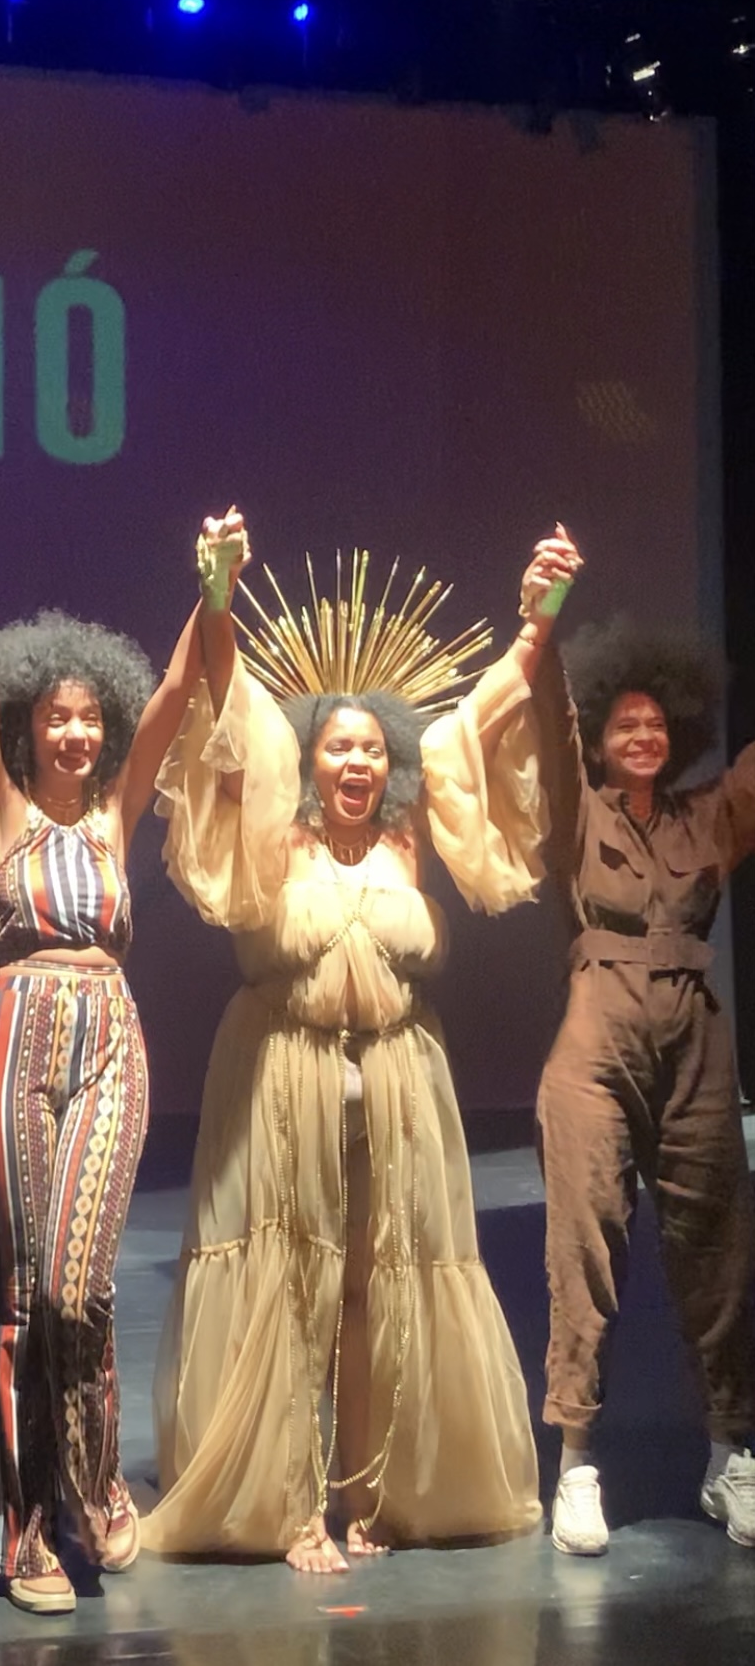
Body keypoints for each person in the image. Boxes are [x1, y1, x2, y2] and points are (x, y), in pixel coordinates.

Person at [141, 515, 581, 1572]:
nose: (355, 759)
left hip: (397, 1080)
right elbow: (227, 699)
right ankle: (290, 1507)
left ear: (390, 761)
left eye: (371, 747)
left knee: (377, 1284)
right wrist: (218, 594)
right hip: (278, 1076)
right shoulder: (274, 829)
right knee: (288, 1279)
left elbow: (482, 716)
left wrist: (539, 621)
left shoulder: (408, 835)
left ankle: (370, 1493)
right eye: (337, 744)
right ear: (307, 756)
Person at [0, 453, 206, 1615]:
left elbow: (176, 689)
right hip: (11, 1031)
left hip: (109, 1034)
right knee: (23, 1293)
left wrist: (215, 587)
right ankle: (29, 1526)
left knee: (82, 1284)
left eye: (90, 717)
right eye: (57, 716)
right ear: (27, 729)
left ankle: (94, 1476)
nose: (77, 732)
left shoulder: (117, 816)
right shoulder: (2, 810)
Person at [531, 613, 755, 1555]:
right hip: (598, 1032)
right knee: (584, 1240)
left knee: (718, 1244)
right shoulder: (576, 807)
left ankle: (729, 1455)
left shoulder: (705, 815)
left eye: (655, 722)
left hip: (694, 1034)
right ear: (597, 736)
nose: (641, 734)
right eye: (622, 722)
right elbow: (548, 726)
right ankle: (576, 1463)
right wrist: (541, 625)